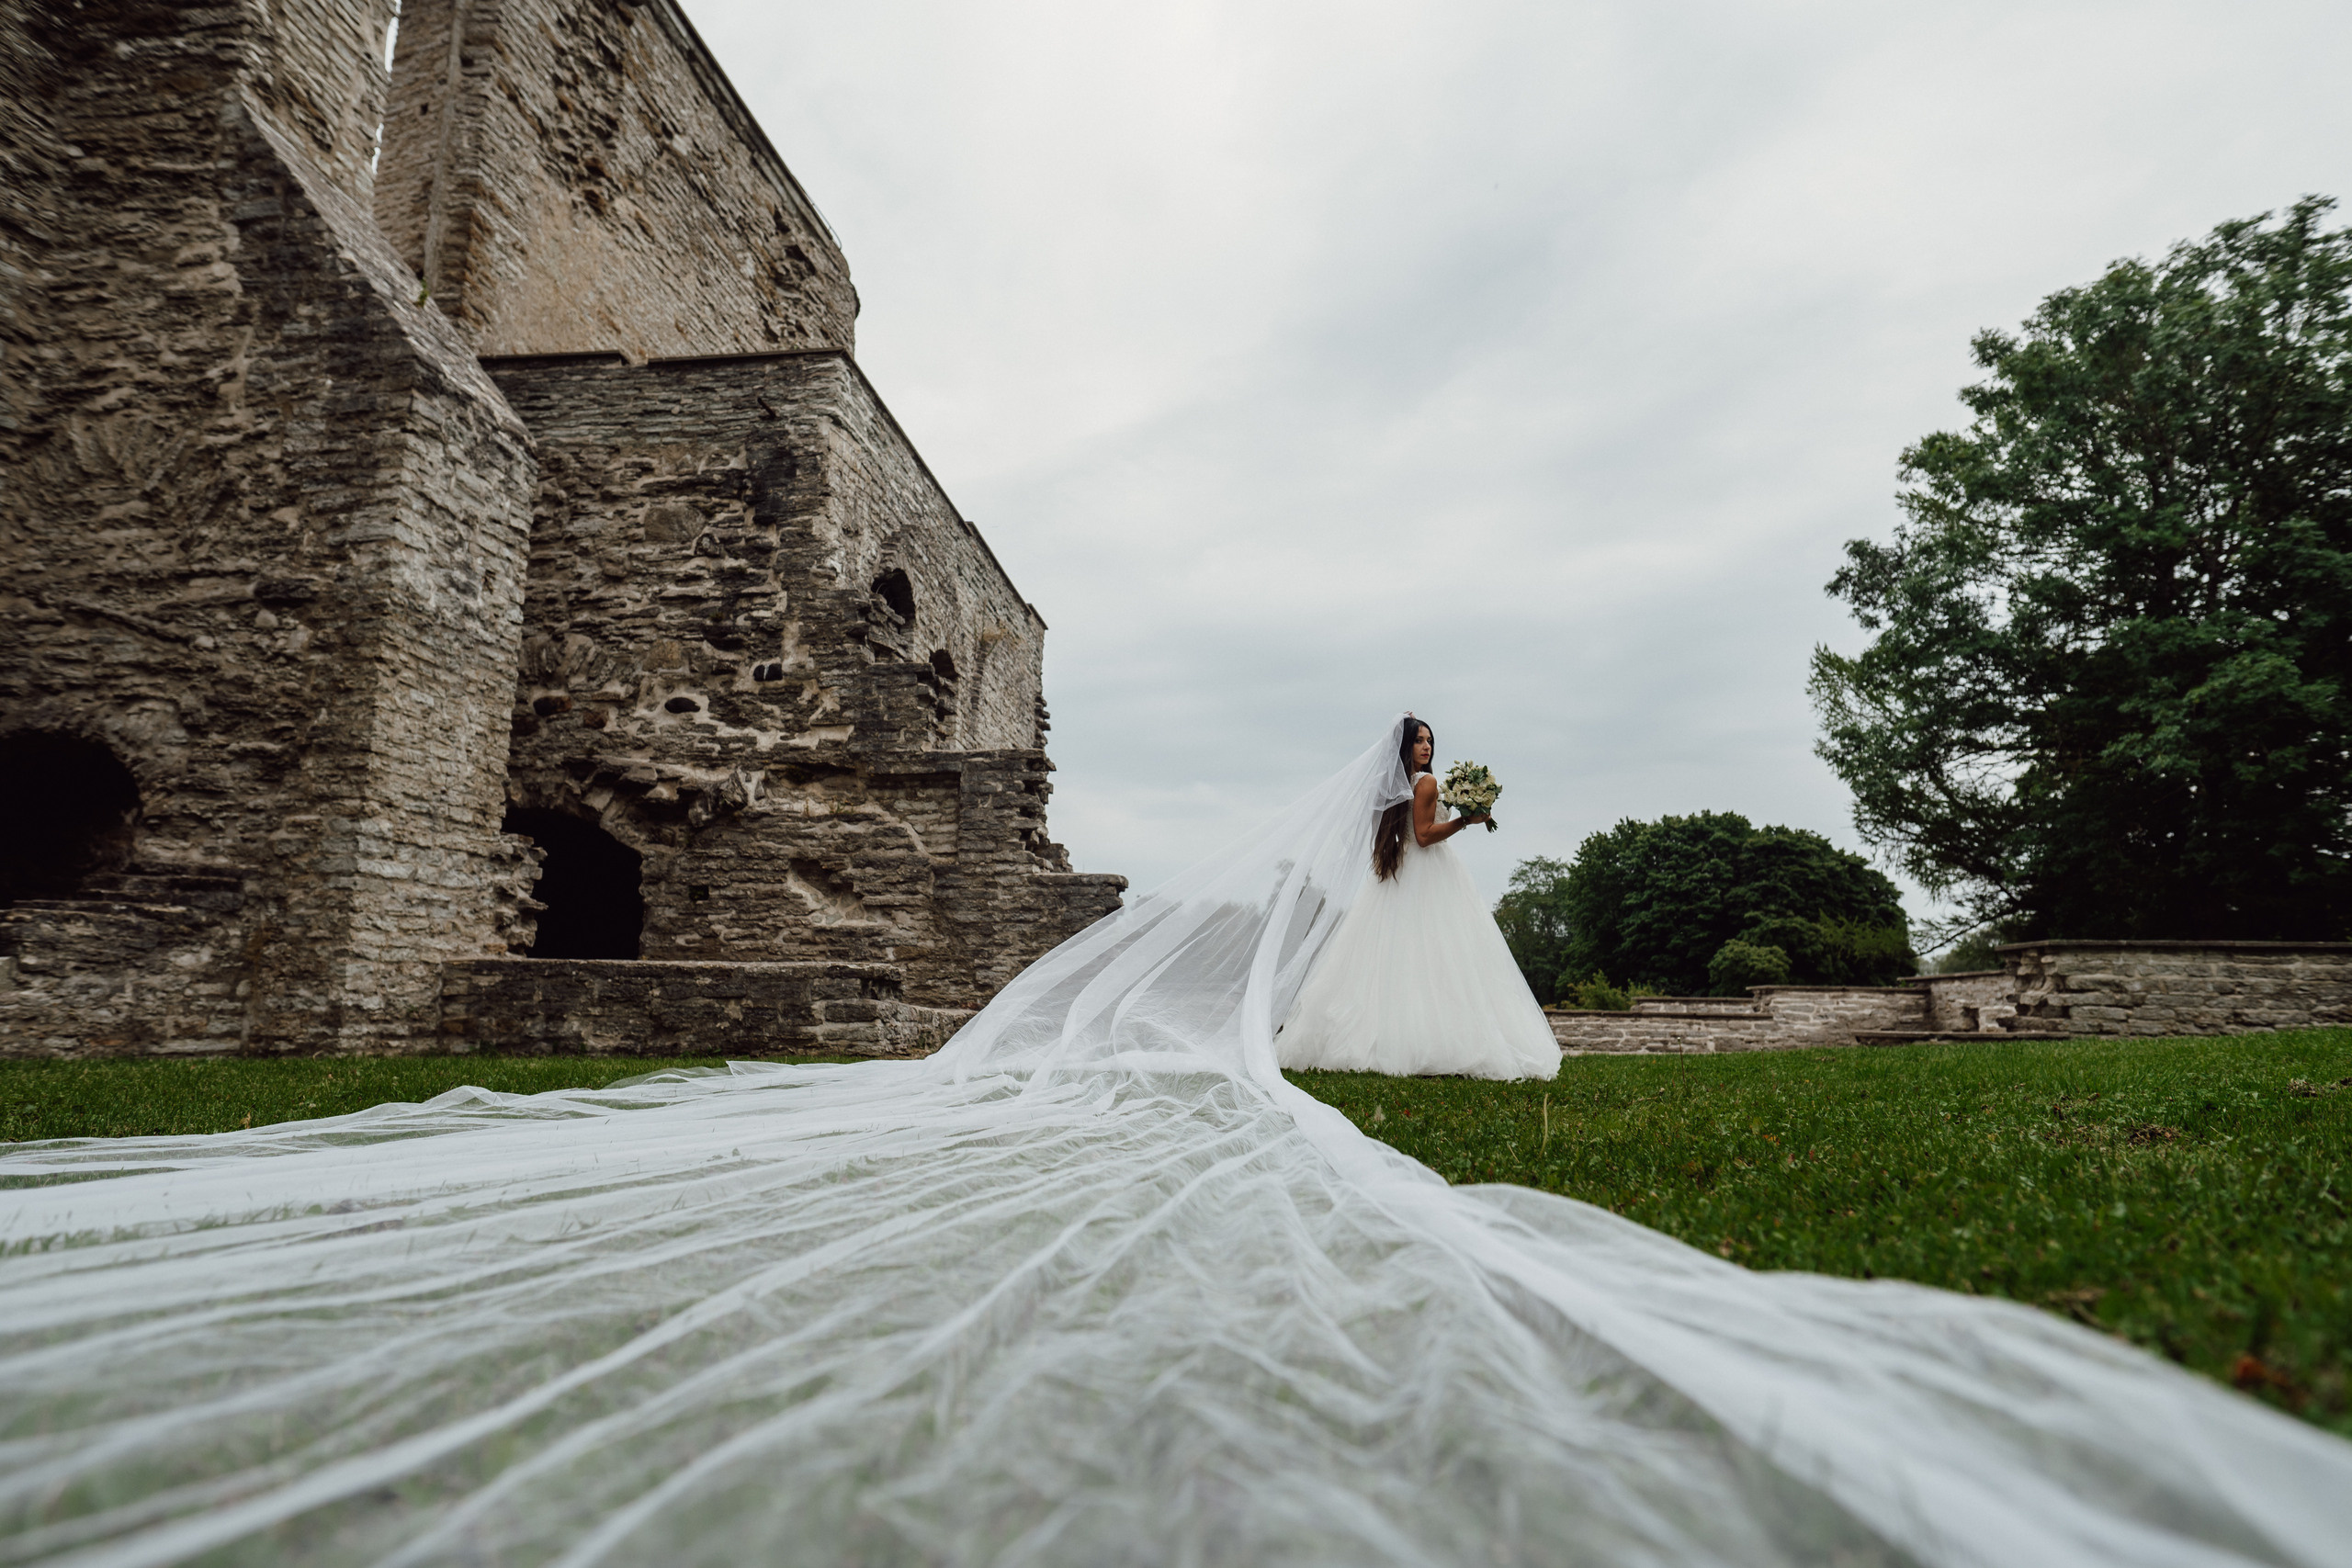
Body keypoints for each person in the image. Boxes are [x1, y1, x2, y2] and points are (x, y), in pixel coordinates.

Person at [1, 713, 2346, 1565]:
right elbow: (1411, 825)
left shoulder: (1398, 793)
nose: (1427, 767)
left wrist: (1470, 817)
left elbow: (1415, 837)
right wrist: (1467, 804)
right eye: (1425, 761)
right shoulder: (1396, 777)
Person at [1280, 716, 1560, 1078]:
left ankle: (1385, 1037)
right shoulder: (1426, 782)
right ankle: (1437, 1042)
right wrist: (1466, 820)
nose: (1426, 746)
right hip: (1428, 869)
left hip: (1404, 868)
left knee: (1396, 956)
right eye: (1418, 741)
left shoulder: (1395, 785)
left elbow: (1409, 833)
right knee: (1442, 953)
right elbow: (1425, 836)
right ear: (1405, 747)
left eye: (1429, 740)